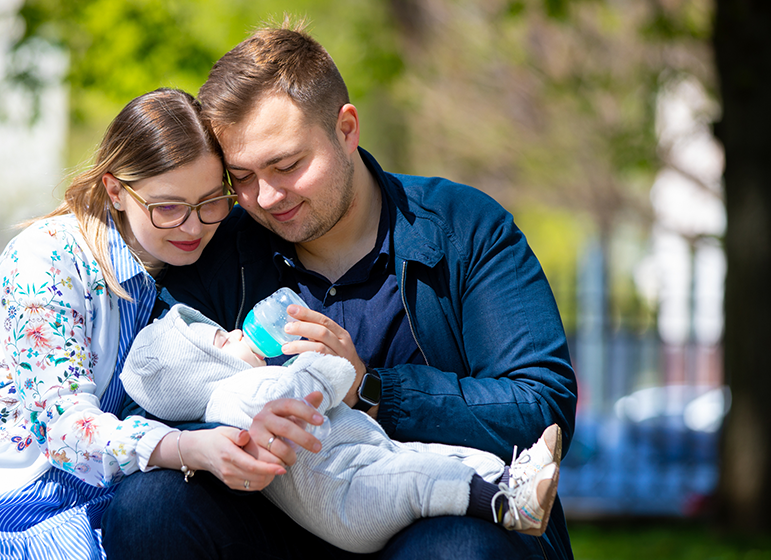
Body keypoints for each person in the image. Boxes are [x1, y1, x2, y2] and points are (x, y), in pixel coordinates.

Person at [102, 20, 579, 560]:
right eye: (242, 178)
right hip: (276, 521)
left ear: (346, 129)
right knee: (149, 505)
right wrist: (232, 426)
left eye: (287, 165)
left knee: (454, 549)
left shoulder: (463, 228)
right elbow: (151, 387)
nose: (266, 197)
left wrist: (370, 391)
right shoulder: (219, 248)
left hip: (443, 517)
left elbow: (543, 409)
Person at [0, 88, 291, 560]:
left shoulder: (190, 266)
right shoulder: (47, 258)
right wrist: (188, 448)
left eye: (212, 202)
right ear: (116, 190)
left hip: (72, 497)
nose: (194, 227)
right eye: (168, 207)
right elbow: (63, 426)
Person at [120, 303, 562, 553]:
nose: (237, 332)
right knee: (426, 480)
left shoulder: (242, 389)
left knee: (432, 458)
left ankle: (515, 480)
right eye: (222, 340)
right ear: (199, 370)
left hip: (366, 466)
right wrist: (334, 364)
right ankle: (506, 503)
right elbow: (315, 382)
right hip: (352, 493)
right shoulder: (242, 394)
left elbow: (545, 395)